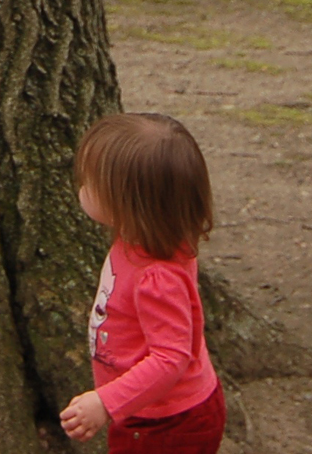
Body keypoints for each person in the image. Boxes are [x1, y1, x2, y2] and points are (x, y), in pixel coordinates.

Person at [61, 113, 224, 453]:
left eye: (91, 184)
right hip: (146, 414)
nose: (81, 189)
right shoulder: (142, 239)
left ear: (127, 205)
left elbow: (170, 357)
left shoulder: (158, 276)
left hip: (168, 425)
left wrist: (106, 402)